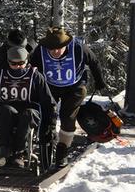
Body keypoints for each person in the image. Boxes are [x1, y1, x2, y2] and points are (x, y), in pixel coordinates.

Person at [30, 26, 107, 168]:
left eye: (59, 48)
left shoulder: (78, 48)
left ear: (66, 44)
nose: (55, 51)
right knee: (47, 115)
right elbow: (31, 68)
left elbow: (94, 62)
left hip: (74, 86)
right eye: (51, 49)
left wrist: (99, 81)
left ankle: (62, 150)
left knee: (67, 116)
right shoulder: (40, 51)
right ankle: (47, 143)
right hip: (50, 86)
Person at [0, 46, 56, 167]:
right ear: (8, 62)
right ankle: (4, 150)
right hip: (8, 110)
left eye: (21, 63)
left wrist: (50, 124)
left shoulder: (36, 76)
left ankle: (19, 153)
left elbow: (48, 102)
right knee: (3, 110)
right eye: (14, 64)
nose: (18, 66)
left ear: (27, 61)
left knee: (28, 114)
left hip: (30, 110)